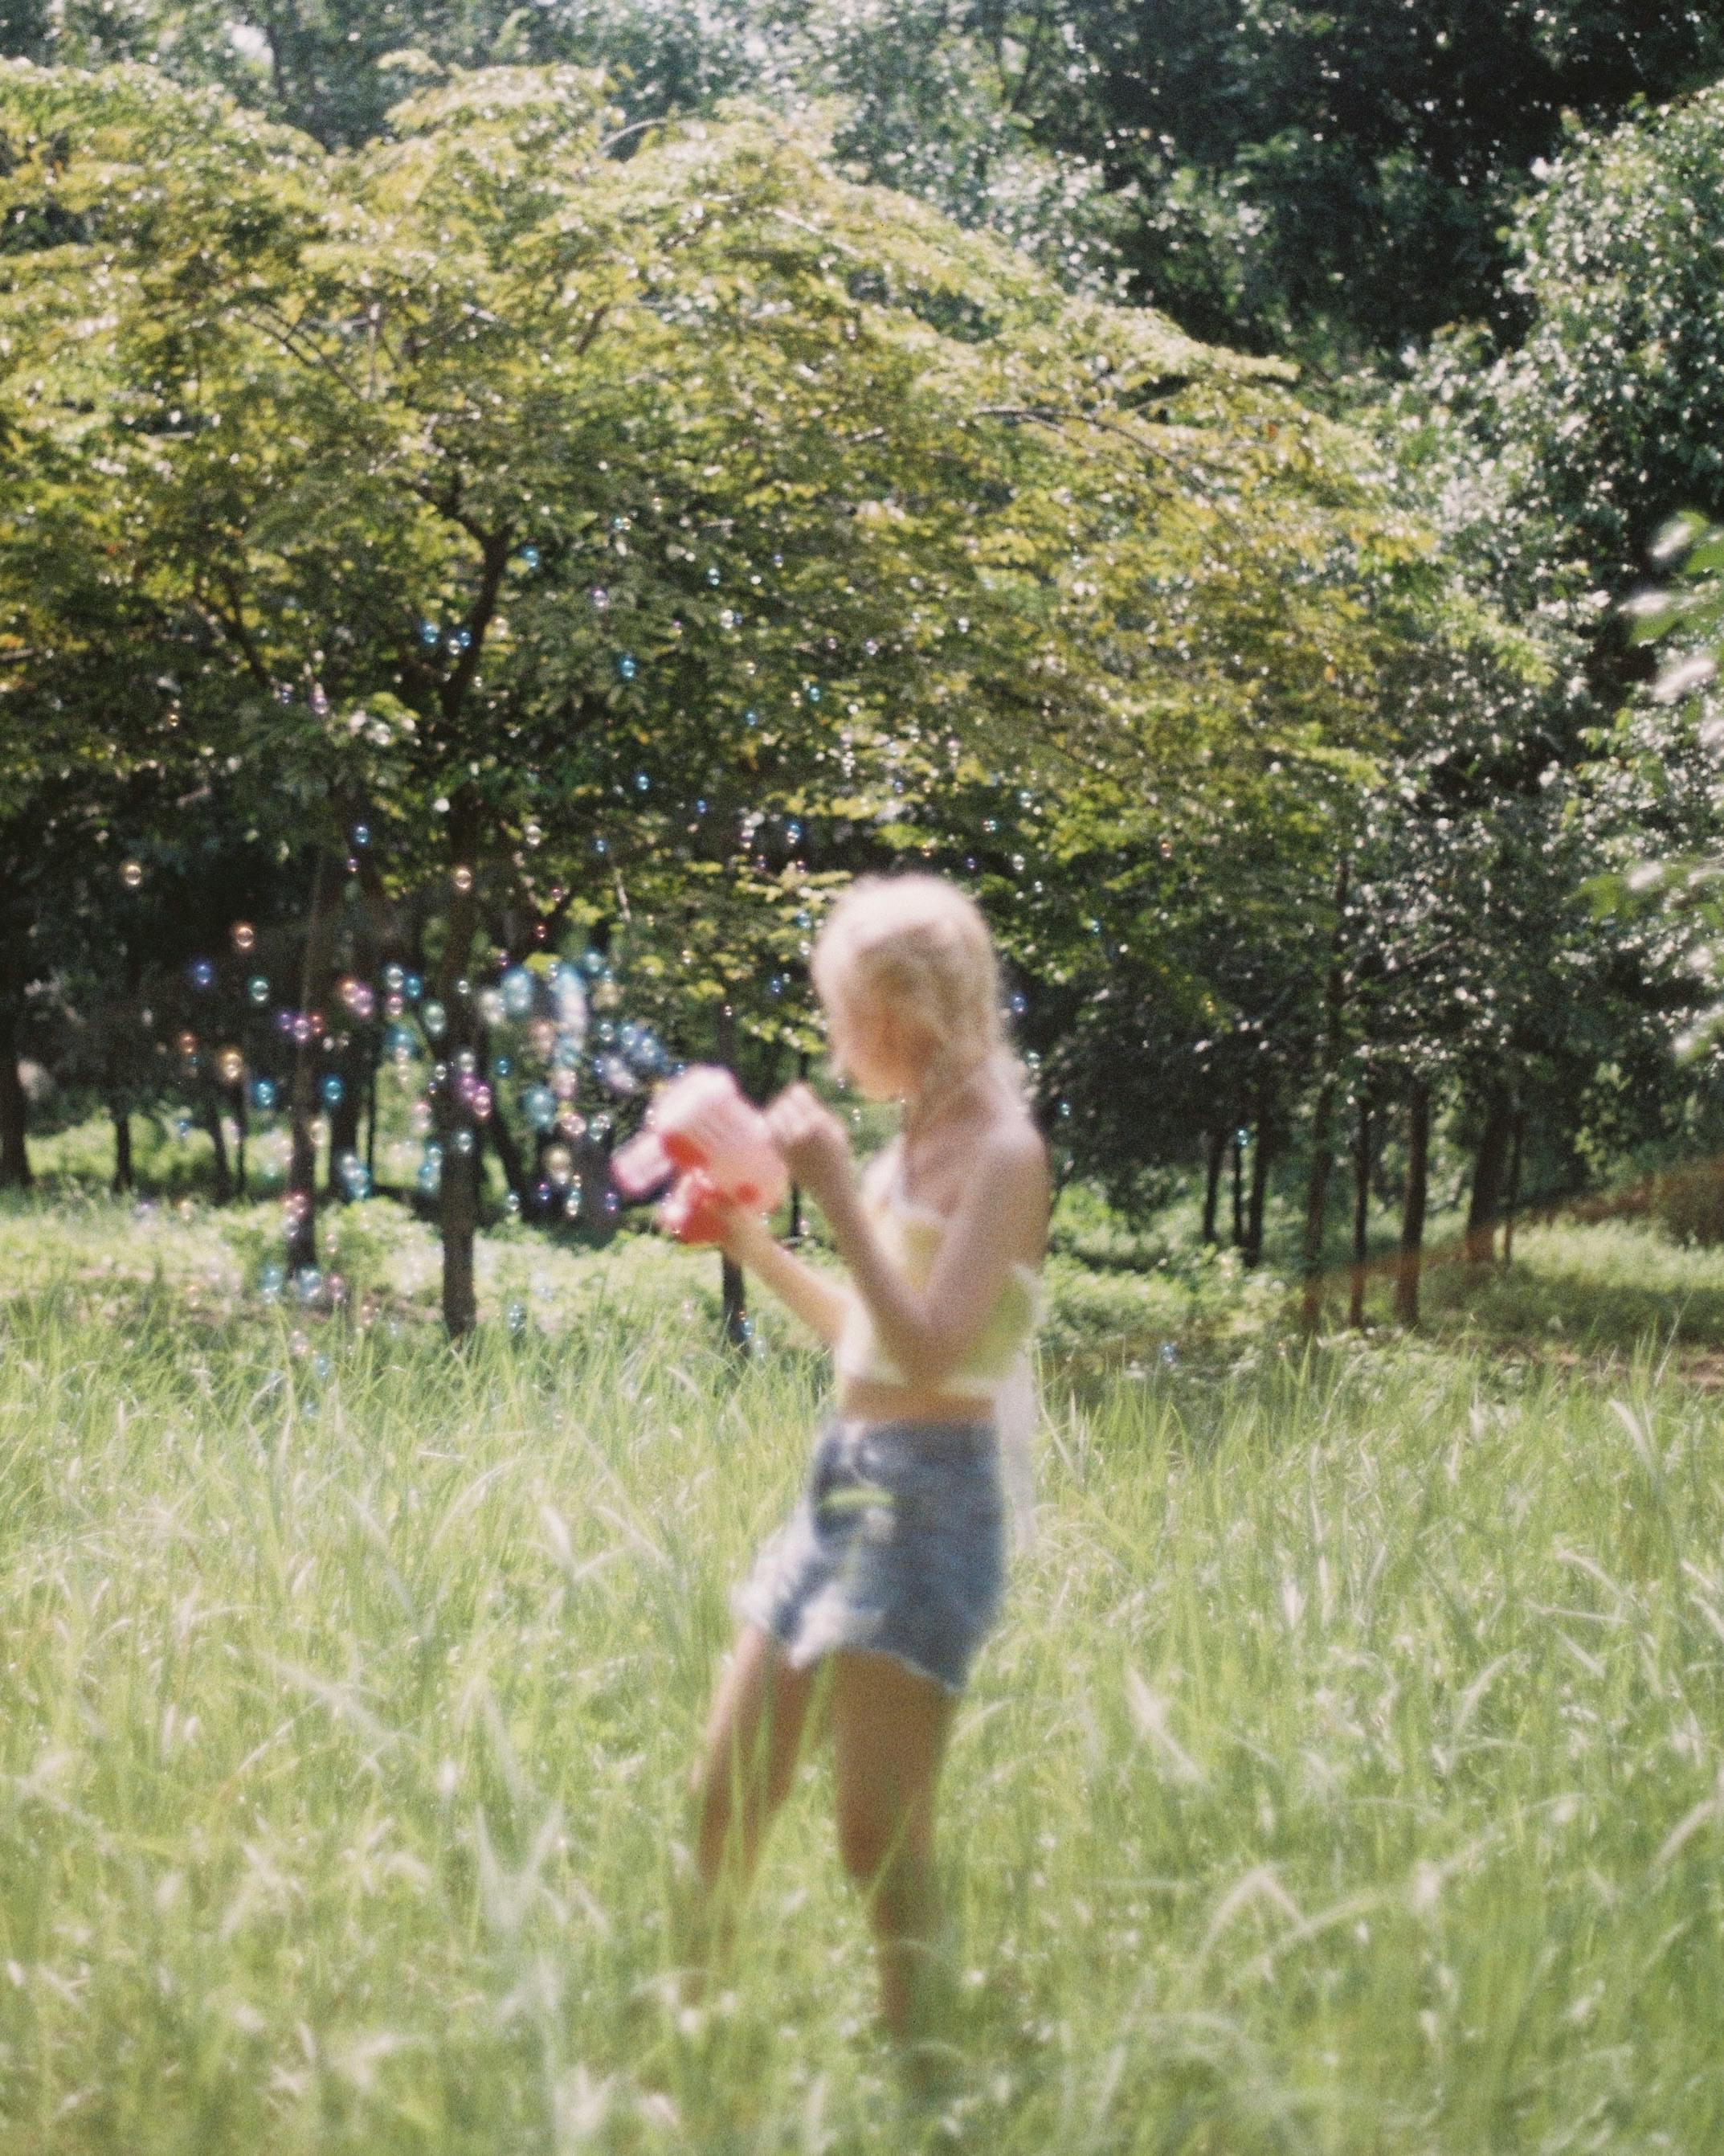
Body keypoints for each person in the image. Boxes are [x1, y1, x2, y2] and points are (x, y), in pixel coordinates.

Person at [684, 873, 1048, 2056]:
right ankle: (686, 2042)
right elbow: (864, 1333)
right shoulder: (916, 1140)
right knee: (725, 1792)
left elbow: (939, 1349)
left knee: (873, 1838)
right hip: (840, 1479)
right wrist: (752, 1240)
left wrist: (835, 1191)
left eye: (845, 1014)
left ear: (903, 1009)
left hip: (931, 1498)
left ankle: (920, 2066)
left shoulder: (1003, 1153)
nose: (838, 1045)